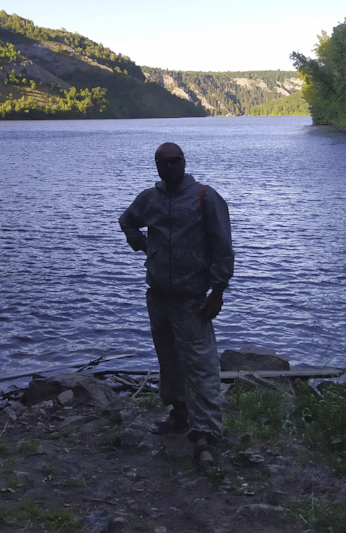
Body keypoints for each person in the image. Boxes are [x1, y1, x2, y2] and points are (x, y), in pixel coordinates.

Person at [119, 141, 233, 466]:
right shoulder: (150, 199)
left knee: (201, 365)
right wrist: (140, 244)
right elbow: (126, 220)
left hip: (193, 299)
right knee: (168, 360)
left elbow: (223, 246)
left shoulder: (205, 197)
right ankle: (179, 413)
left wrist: (218, 291)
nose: (170, 167)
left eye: (175, 161)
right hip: (158, 296)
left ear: (184, 162)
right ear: (156, 166)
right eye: (163, 163)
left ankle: (204, 435)